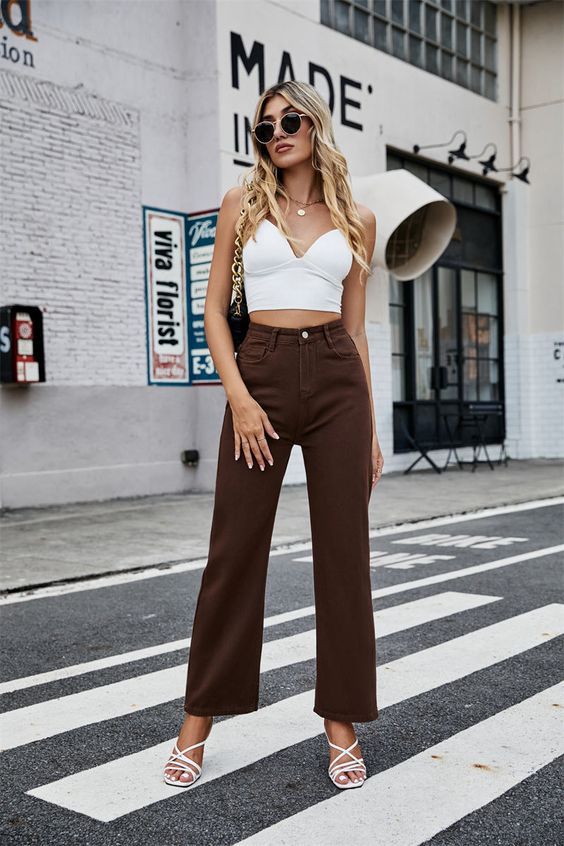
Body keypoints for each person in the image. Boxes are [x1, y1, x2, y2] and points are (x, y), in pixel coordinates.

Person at [163, 80, 384, 791]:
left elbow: (355, 329)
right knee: (233, 551)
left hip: (335, 379)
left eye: (289, 121)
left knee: (344, 557)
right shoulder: (242, 204)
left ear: (315, 126)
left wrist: (371, 427)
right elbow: (215, 312)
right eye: (264, 129)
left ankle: (341, 724)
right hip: (255, 373)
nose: (278, 134)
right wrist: (239, 397)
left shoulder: (358, 217)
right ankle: (198, 720)